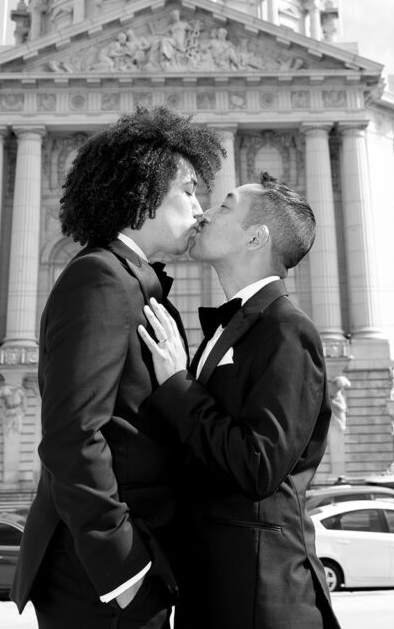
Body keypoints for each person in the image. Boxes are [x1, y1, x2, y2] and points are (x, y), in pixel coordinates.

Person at [10, 106, 224, 629]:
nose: (200, 208)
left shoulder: (131, 279)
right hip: (100, 575)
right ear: (144, 193)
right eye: (188, 190)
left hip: (129, 558)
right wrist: (124, 574)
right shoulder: (101, 278)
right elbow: (72, 435)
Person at [139, 173, 341, 629]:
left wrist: (176, 384)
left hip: (260, 596)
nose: (205, 212)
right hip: (212, 586)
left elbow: (258, 464)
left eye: (225, 206)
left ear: (256, 236)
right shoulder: (234, 326)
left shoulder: (289, 330)